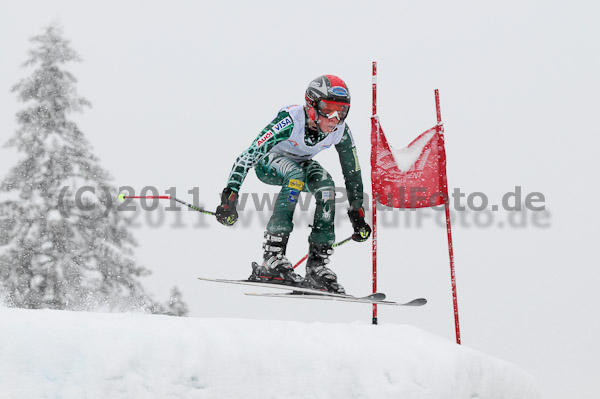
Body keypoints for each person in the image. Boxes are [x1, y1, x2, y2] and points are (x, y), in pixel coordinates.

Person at [215, 75, 371, 294]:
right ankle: (273, 258)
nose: (334, 118)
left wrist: (357, 212)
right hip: (268, 162)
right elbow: (248, 155)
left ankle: (317, 265)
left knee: (327, 187)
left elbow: (353, 172)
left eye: (342, 111)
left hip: (301, 163)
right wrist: (230, 198)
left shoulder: (341, 131)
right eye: (328, 109)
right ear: (311, 106)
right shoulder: (290, 120)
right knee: (295, 176)